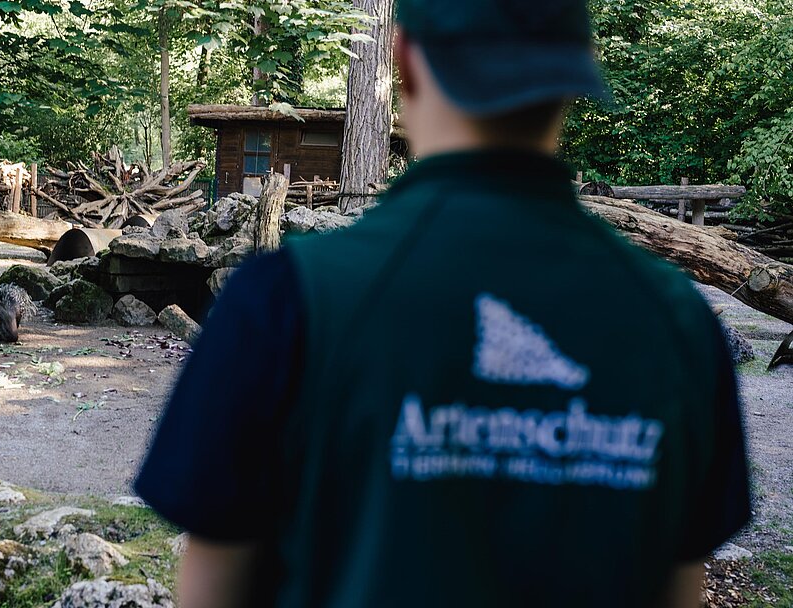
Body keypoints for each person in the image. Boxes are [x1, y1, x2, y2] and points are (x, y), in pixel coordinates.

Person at [135, 0, 751, 606]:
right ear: (579, 72)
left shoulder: (283, 299)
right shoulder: (677, 320)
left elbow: (214, 584)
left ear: (402, 59)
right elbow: (679, 588)